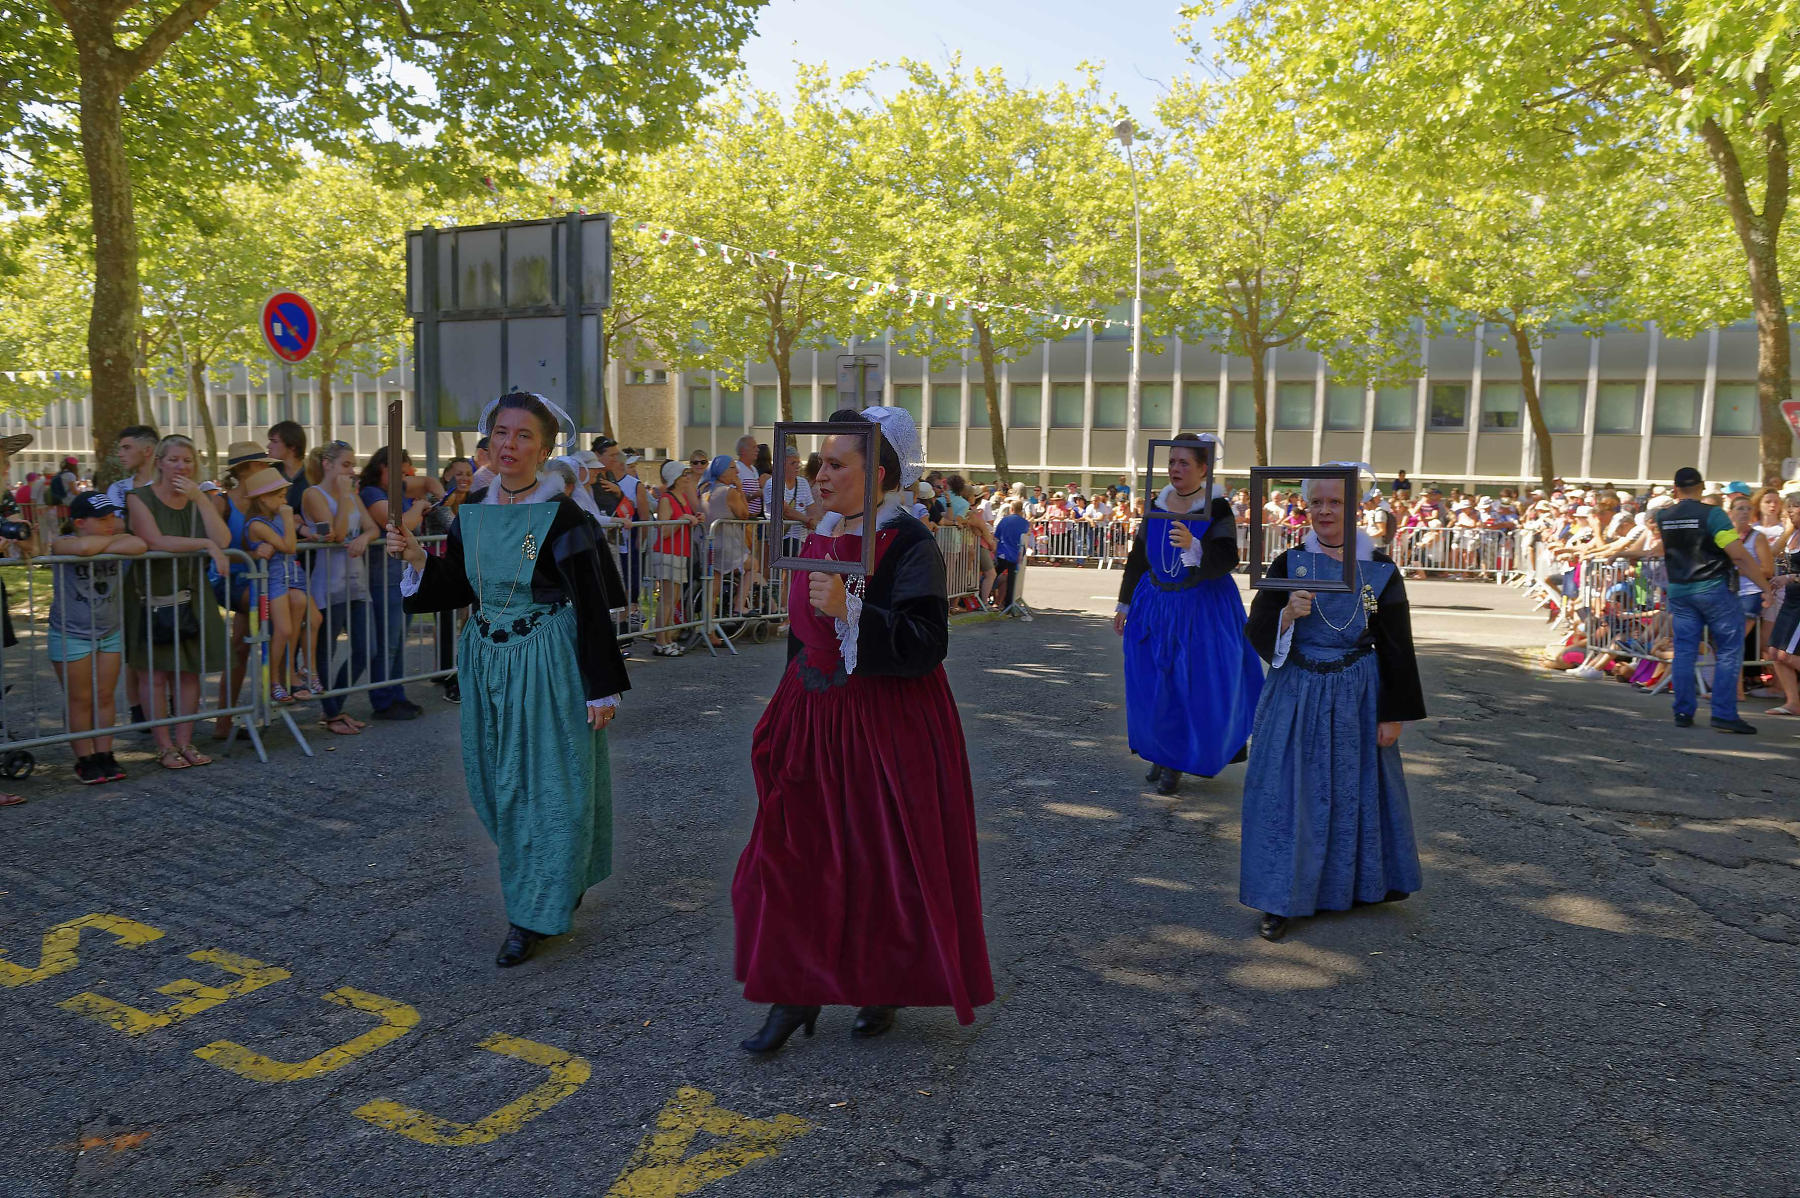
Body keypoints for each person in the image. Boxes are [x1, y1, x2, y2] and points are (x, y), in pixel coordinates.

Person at [732, 405, 993, 1052]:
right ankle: (793, 992)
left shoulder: (908, 543)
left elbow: (926, 642)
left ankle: (884, 982)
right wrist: (785, 706)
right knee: (794, 856)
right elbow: (804, 637)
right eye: (818, 463)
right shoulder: (821, 535)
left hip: (884, 725)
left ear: (876, 474)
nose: (819, 475)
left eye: (834, 464)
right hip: (814, 717)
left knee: (880, 861)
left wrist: (854, 612)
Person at [389, 390, 630, 968]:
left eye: (524, 436)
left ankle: (531, 913)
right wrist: (418, 559)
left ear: (544, 450)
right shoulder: (472, 509)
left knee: (549, 786)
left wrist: (601, 684)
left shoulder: (562, 516)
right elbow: (460, 586)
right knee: (498, 786)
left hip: (548, 664)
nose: (509, 445)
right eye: (502, 432)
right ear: (489, 440)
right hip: (487, 663)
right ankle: (555, 876)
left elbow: (591, 602)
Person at [1240, 469, 1427, 942]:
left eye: (1335, 502)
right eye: (1316, 503)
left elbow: (1395, 643)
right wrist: (1286, 615)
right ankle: (1280, 896)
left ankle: (1353, 884)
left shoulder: (1379, 568)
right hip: (1296, 692)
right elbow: (1256, 627)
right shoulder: (1289, 562)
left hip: (1357, 696)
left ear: (1355, 508)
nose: (1324, 511)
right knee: (1289, 794)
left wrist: (1393, 712)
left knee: (1352, 790)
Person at [1114, 433, 1263, 795]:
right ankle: (1160, 752)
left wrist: (1196, 547)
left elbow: (1228, 557)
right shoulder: (1157, 503)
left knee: (1189, 684)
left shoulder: (1217, 508)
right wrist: (1124, 603)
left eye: (1184, 462)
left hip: (1200, 608)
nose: (1175, 468)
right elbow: (1138, 557)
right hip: (1155, 605)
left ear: (1203, 469)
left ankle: (1177, 761)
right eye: (1172, 461)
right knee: (1155, 682)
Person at [124, 435, 232, 770]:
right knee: (154, 674)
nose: (181, 467)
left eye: (187, 460)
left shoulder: (200, 499)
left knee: (188, 672)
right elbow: (155, 540)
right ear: (159, 462)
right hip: (150, 595)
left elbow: (223, 539)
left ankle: (185, 742)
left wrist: (200, 499)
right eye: (173, 460)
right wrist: (205, 545)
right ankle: (164, 747)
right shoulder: (138, 497)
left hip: (191, 592)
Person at [1652, 467, 1770, 733]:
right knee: (1729, 649)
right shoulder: (1713, 515)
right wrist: (1765, 587)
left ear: (1675, 489)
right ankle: (1724, 714)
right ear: (1702, 487)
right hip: (1713, 589)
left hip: (1680, 590)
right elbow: (1737, 554)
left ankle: (1683, 711)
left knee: (1684, 651)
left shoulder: (1663, 516)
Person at [49, 493, 146, 784]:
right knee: (80, 698)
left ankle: (104, 754)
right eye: (102, 519)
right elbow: (80, 547)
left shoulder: (115, 538)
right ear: (79, 522)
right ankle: (85, 759)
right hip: (71, 633)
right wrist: (111, 543)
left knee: (105, 696)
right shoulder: (62, 543)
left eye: (113, 517)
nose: (111, 523)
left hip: (108, 632)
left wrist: (102, 543)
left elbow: (139, 544)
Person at [303, 442, 378, 736]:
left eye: (352, 465)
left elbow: (372, 527)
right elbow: (335, 533)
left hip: (357, 583)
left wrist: (365, 539)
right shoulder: (313, 494)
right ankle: (332, 713)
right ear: (327, 464)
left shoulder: (352, 495)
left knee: (367, 648)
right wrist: (346, 497)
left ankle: (334, 706)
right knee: (326, 650)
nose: (351, 471)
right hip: (328, 584)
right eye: (346, 465)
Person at [359, 447, 434, 720]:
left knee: (398, 641)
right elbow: (401, 525)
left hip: (401, 577)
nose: (404, 478)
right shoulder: (371, 493)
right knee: (388, 643)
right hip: (383, 578)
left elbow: (428, 483)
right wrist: (418, 506)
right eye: (401, 472)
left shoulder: (396, 490)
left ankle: (397, 695)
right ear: (383, 468)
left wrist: (434, 496)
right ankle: (383, 699)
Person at [241, 468, 319, 704]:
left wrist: (302, 530)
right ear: (263, 499)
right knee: (283, 630)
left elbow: (293, 540)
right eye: (280, 496)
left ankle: (295, 672)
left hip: (292, 576)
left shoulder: (274, 518)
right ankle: (273, 680)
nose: (285, 502)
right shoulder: (256, 524)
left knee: (309, 619)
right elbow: (289, 547)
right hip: (274, 580)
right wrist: (288, 518)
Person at [651, 458, 702, 657]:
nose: (688, 477)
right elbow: (663, 530)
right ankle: (660, 641)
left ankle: (667, 639)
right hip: (668, 552)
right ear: (676, 478)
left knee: (674, 599)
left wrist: (695, 519)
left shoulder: (683, 498)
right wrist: (682, 520)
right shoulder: (667, 499)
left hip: (680, 552)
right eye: (684, 474)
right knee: (667, 599)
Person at [993, 498, 1034, 610]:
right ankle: (1009, 604)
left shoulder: (1004, 520)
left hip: (1003, 552)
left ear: (1011, 509)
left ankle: (988, 598)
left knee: (993, 575)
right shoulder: (1025, 522)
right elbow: (1026, 536)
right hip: (1016, 554)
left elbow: (996, 536)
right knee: (1012, 581)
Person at [267, 420, 310, 513]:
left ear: (292, 445)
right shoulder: (270, 473)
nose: (268, 446)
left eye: (274, 441)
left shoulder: (312, 475)